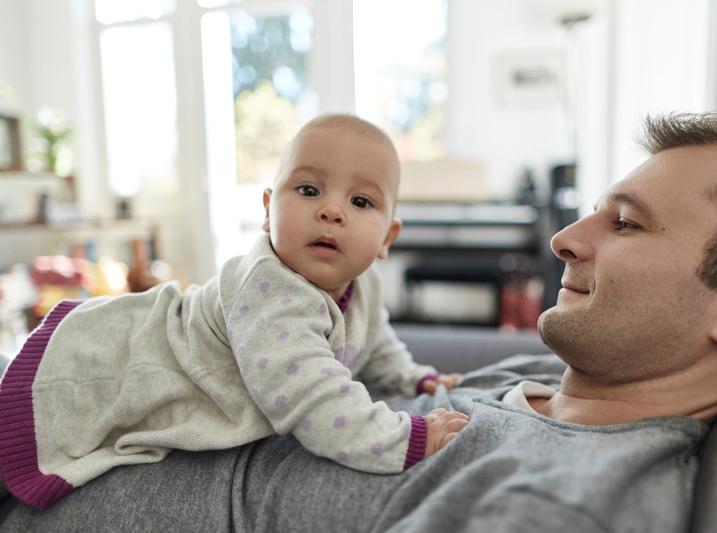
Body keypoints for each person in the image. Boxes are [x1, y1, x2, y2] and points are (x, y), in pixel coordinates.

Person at [1, 112, 717, 532]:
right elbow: (379, 357)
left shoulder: (569, 498)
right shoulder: (522, 384)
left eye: (624, 223)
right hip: (78, 414)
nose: (562, 239)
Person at [0, 114, 468, 511]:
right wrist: (405, 439)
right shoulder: (269, 289)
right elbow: (313, 399)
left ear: (388, 237)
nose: (331, 210)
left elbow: (374, 338)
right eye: (308, 189)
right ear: (268, 211)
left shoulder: (363, 281)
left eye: (360, 201)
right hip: (115, 365)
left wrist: (414, 378)